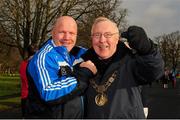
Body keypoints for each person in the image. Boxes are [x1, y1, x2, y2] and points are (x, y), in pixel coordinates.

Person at [78, 17, 164, 118]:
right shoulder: (83, 65)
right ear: (91, 38)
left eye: (108, 35)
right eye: (97, 35)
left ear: (117, 38)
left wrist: (148, 49)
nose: (102, 40)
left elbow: (154, 71)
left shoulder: (132, 61)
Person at [25, 16, 95, 118]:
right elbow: (48, 92)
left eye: (71, 33)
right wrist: (83, 75)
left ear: (76, 35)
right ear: (53, 33)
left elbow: (106, 55)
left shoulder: (81, 53)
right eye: (62, 32)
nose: (67, 37)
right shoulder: (44, 56)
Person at [19, 44, 38, 118]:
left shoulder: (23, 64)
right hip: (33, 97)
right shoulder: (36, 64)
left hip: (24, 95)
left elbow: (21, 80)